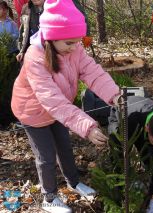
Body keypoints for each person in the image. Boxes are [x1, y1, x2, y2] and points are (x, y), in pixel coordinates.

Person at [11, 0, 120, 212]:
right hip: (32, 112)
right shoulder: (35, 57)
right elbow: (51, 99)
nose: (74, 47)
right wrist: (87, 127)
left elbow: (93, 73)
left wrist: (114, 95)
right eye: (70, 43)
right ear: (51, 37)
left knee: (65, 147)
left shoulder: (74, 48)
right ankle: (49, 197)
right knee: (46, 157)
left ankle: (73, 182)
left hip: (59, 111)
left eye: (77, 42)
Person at [107, 96, 153, 213]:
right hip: (121, 116)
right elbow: (121, 154)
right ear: (147, 128)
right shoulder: (130, 121)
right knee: (119, 149)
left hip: (143, 126)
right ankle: (123, 186)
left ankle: (152, 187)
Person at [0, 1, 19, 129]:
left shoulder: (11, 23)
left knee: (12, 84)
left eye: (4, 9)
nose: (3, 11)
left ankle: (13, 114)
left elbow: (17, 35)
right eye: (1, 9)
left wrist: (9, 37)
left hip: (11, 55)